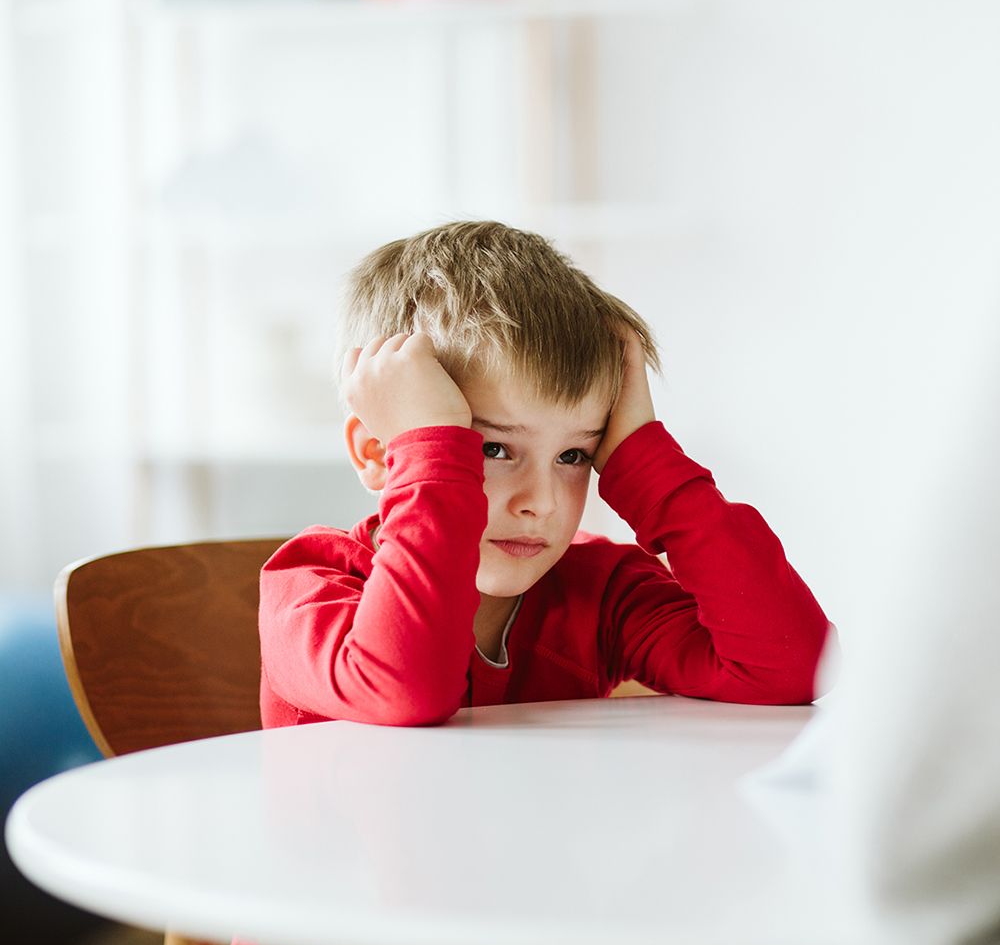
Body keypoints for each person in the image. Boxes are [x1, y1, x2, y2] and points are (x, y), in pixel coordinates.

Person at [256, 220, 832, 729]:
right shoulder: (308, 588)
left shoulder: (597, 593)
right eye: (491, 449)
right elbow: (407, 688)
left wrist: (644, 459)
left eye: (574, 456)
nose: (543, 503)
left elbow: (790, 667)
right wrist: (432, 457)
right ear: (384, 453)